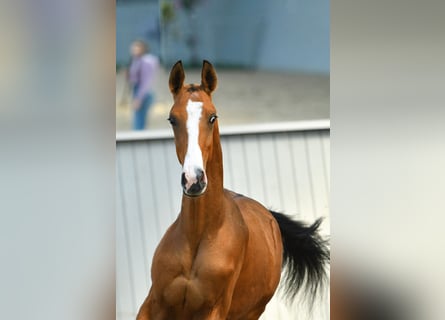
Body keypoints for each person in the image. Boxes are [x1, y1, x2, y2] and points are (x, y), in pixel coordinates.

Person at [128, 40, 159, 130]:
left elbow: (146, 81)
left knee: (139, 121)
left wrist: (139, 98)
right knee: (140, 119)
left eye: (136, 48)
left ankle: (137, 140)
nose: (133, 50)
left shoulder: (145, 61)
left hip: (142, 91)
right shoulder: (140, 60)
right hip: (144, 90)